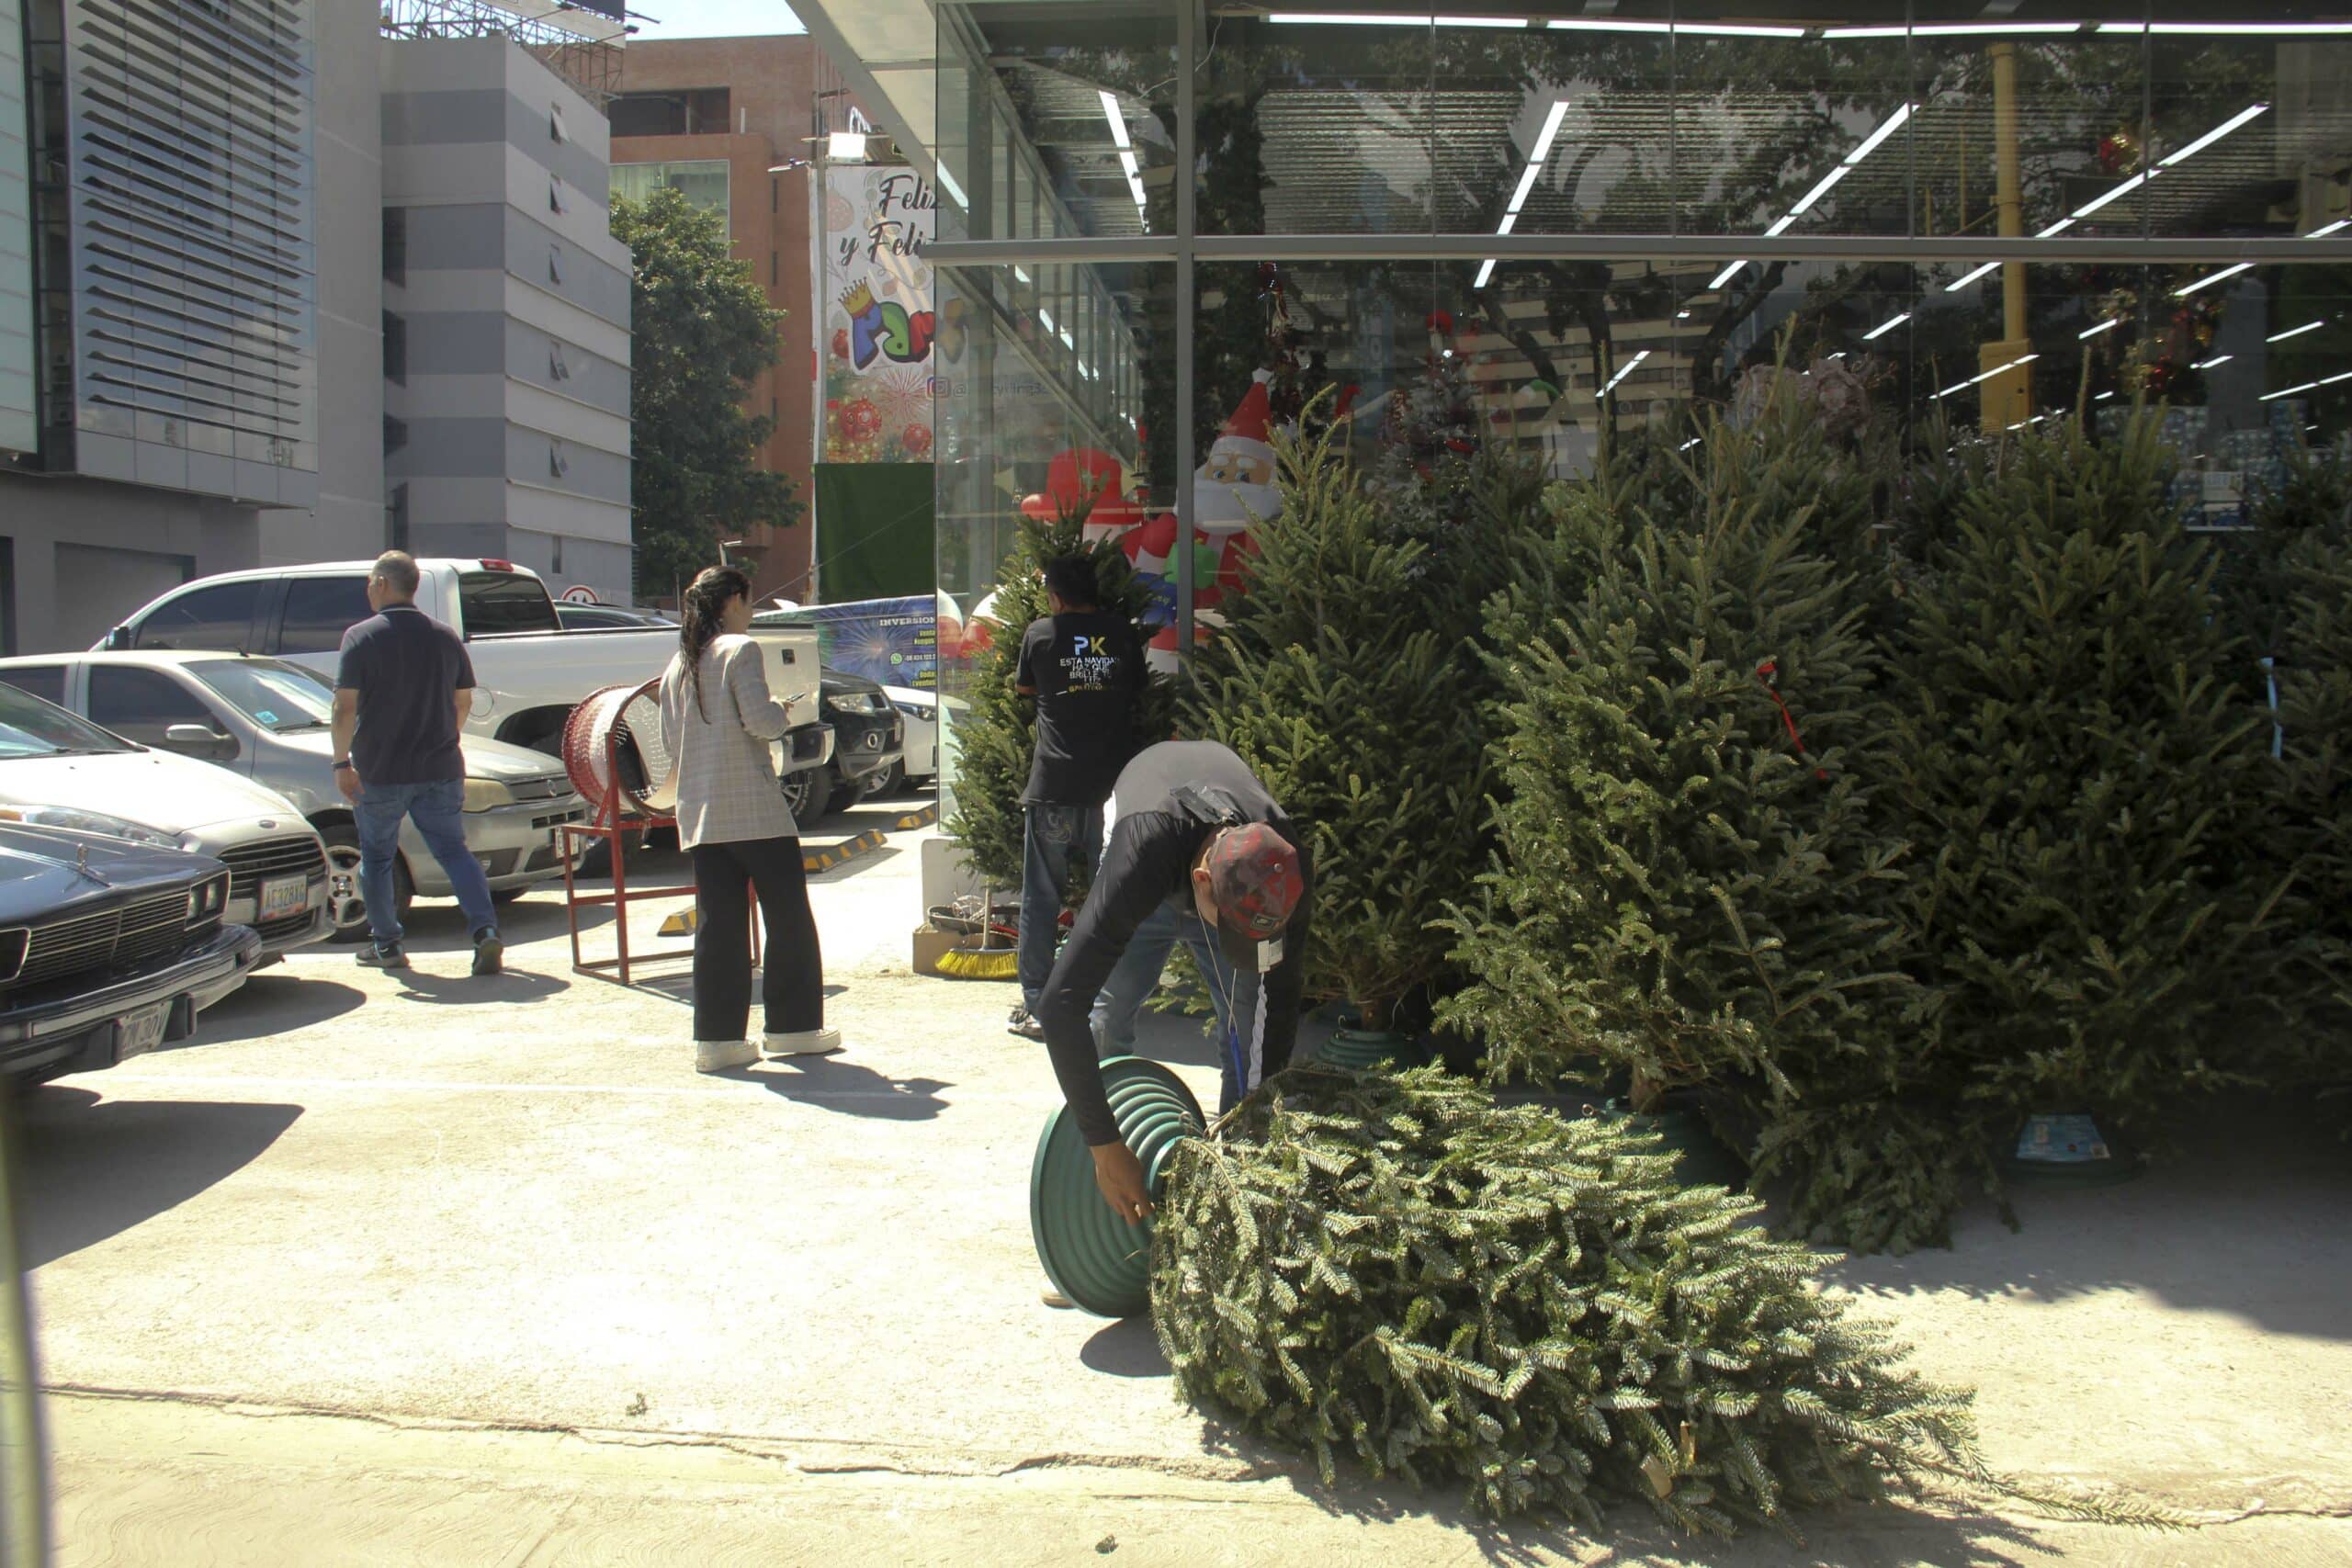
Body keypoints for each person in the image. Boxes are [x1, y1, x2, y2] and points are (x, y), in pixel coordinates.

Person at [1034, 740, 1311, 1248]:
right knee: (1108, 1015)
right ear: (1203, 882)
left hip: (1214, 866)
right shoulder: (1137, 860)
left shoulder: (1281, 866)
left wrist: (1256, 1126)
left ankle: (1232, 1190)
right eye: (1237, 936)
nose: (1247, 949)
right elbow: (1060, 1003)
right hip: (1152, 843)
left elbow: (1279, 1005)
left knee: (1245, 1022)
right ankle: (1094, 1205)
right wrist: (1103, 1143)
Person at [658, 566, 841, 1074]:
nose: (753, 611)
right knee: (788, 919)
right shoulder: (739, 651)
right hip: (755, 812)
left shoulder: (679, 665)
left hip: (700, 813)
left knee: (719, 927)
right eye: (750, 601)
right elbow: (760, 722)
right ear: (733, 600)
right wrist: (782, 710)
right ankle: (793, 1028)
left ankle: (717, 1040)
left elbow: (671, 741)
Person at [332, 551, 503, 976]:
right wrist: (446, 735)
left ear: (383, 584)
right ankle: (485, 933)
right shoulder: (445, 638)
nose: (368, 588)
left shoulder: (361, 637)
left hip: (381, 770)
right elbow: (462, 701)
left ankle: (386, 944)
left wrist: (341, 763)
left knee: (377, 858)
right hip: (440, 766)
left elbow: (343, 708)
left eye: (371, 581)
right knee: (453, 851)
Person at [1006, 555, 1146, 1043]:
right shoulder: (1123, 634)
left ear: (1057, 597)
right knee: (1111, 900)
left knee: (1041, 899)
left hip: (1055, 787)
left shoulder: (1040, 635)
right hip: (1114, 792)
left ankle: (1040, 1007)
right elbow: (1137, 689)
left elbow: (1025, 687)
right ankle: (1104, 1005)